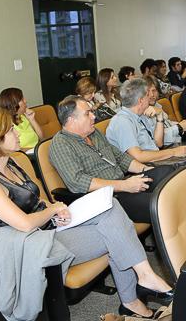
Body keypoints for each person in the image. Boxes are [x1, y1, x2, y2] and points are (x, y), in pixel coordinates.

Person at [0, 107, 172, 318]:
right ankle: (136, 294)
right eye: (11, 130)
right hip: (33, 245)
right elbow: (24, 224)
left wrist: (54, 208)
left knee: (111, 206)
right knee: (118, 235)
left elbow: (35, 199)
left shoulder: (11, 163)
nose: (18, 133)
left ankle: (141, 283)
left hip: (51, 228)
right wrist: (54, 209)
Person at [49, 95, 173, 224]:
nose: (94, 116)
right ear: (71, 120)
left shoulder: (93, 132)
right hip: (108, 199)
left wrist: (147, 169)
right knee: (163, 204)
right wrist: (124, 186)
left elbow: (119, 157)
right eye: (88, 114)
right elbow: (78, 181)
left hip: (124, 183)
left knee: (167, 172)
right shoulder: (60, 144)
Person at [106, 78, 186, 163]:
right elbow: (138, 156)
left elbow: (159, 143)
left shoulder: (140, 115)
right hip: (144, 167)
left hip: (155, 157)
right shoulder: (122, 121)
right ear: (141, 100)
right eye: (147, 94)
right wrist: (173, 152)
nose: (150, 96)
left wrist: (160, 117)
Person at [141, 76, 186, 147]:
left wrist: (182, 124)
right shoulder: (144, 111)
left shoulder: (157, 105)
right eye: (147, 92)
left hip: (179, 139)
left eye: (154, 90)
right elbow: (159, 139)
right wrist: (179, 127)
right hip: (171, 148)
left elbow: (168, 123)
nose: (152, 95)